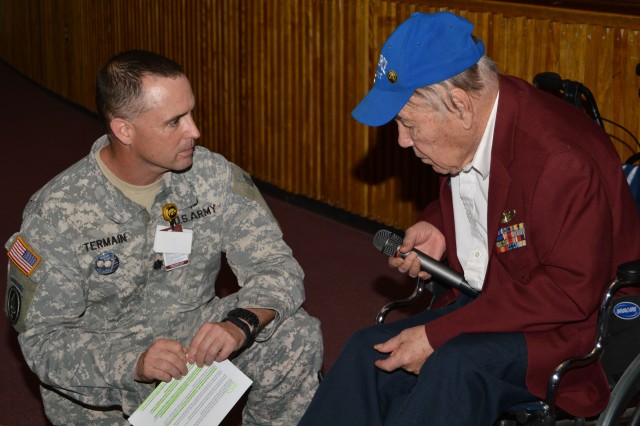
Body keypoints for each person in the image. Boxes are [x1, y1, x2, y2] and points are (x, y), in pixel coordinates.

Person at [300, 11, 640, 425]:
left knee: (453, 366)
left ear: (459, 104)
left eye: (407, 124)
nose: (403, 141)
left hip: (565, 327)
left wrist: (439, 333)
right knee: (365, 351)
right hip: (494, 297)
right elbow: (480, 191)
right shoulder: (482, 116)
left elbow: (569, 294)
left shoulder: (558, 162)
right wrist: (438, 226)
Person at [4, 49, 323, 425]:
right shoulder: (55, 214)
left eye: (191, 113)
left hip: (194, 350)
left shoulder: (213, 177)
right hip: (108, 383)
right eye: (174, 122)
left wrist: (240, 323)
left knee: (296, 335)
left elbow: (277, 266)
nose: (194, 131)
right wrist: (134, 364)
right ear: (124, 129)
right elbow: (42, 341)